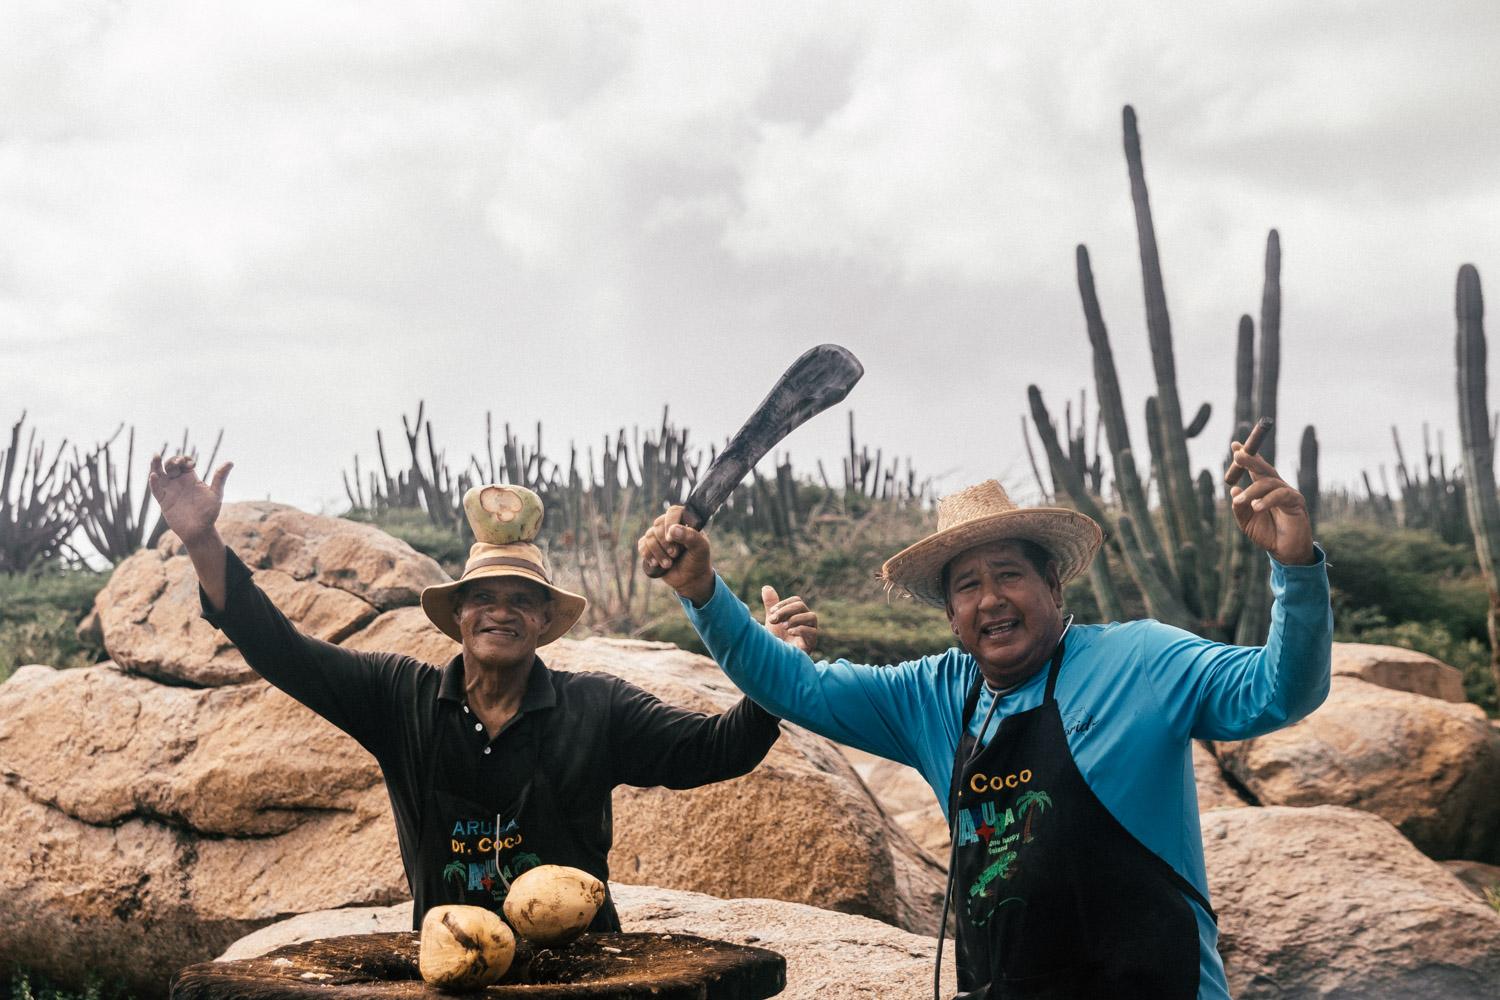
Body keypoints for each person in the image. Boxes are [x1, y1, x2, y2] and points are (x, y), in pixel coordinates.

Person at [638, 441, 1332, 999]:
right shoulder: (935, 695)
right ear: (950, 614)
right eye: (967, 585)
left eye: (1009, 574)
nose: (991, 598)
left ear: (1054, 586)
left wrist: (1294, 569)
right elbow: (795, 688)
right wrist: (702, 590)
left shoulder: (1141, 661)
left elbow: (1278, 693)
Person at [149, 455, 807, 934]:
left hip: (584, 982)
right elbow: (281, 652)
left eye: (523, 601)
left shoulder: (597, 709)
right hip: (454, 970)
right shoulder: (397, 696)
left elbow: (716, 751)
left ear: (547, 622)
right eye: (484, 598)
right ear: (457, 613)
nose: (502, 612)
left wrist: (774, 670)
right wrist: (204, 539)